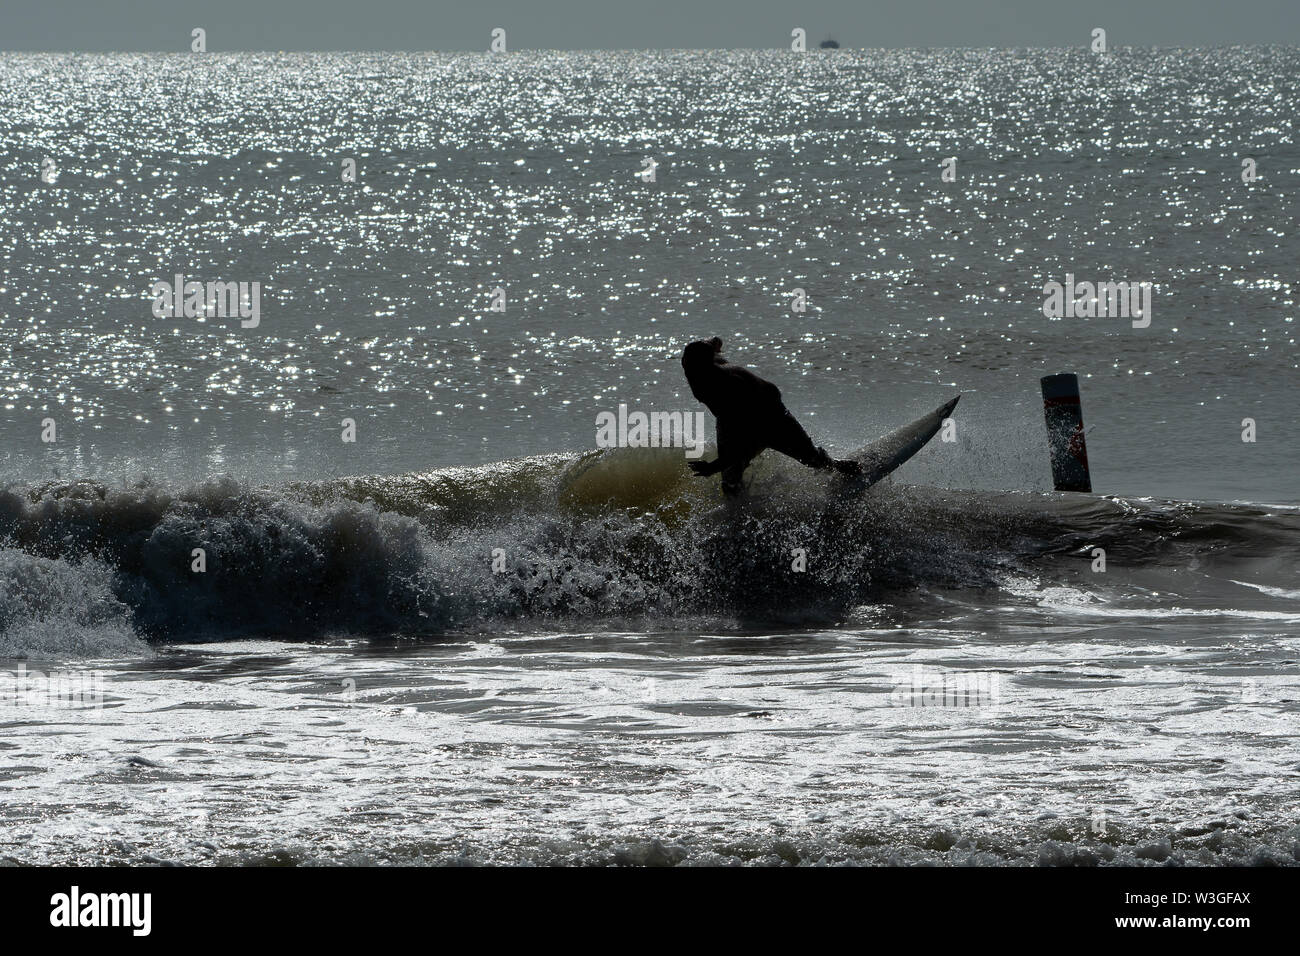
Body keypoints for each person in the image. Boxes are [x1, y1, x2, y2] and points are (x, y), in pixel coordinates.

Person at [681, 337, 861, 496]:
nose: (688, 370)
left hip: (770, 417)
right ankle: (736, 511)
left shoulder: (728, 388)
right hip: (733, 417)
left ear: (706, 366)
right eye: (686, 363)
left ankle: (837, 466)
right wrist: (715, 343)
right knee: (730, 479)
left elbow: (741, 445)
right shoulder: (699, 362)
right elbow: (714, 340)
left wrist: (712, 467)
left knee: (812, 459)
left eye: (693, 367)